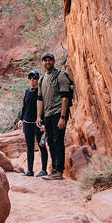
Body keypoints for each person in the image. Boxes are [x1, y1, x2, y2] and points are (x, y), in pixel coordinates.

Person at [36, 52, 72, 180]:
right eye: (45, 60)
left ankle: (59, 170)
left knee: (58, 141)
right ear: (42, 63)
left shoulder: (60, 76)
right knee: (50, 142)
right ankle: (55, 169)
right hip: (47, 115)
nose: (47, 62)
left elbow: (65, 98)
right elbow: (39, 99)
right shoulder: (42, 79)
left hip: (58, 114)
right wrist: (39, 116)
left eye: (49, 60)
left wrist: (63, 117)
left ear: (54, 61)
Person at [18, 71, 48, 177]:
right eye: (30, 78)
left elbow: (44, 108)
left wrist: (44, 123)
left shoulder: (41, 92)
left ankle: (44, 170)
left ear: (38, 79)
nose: (32, 80)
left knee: (42, 146)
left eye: (34, 78)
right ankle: (30, 171)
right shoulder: (27, 91)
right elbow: (24, 106)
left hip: (38, 124)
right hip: (27, 123)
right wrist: (21, 119)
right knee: (29, 147)